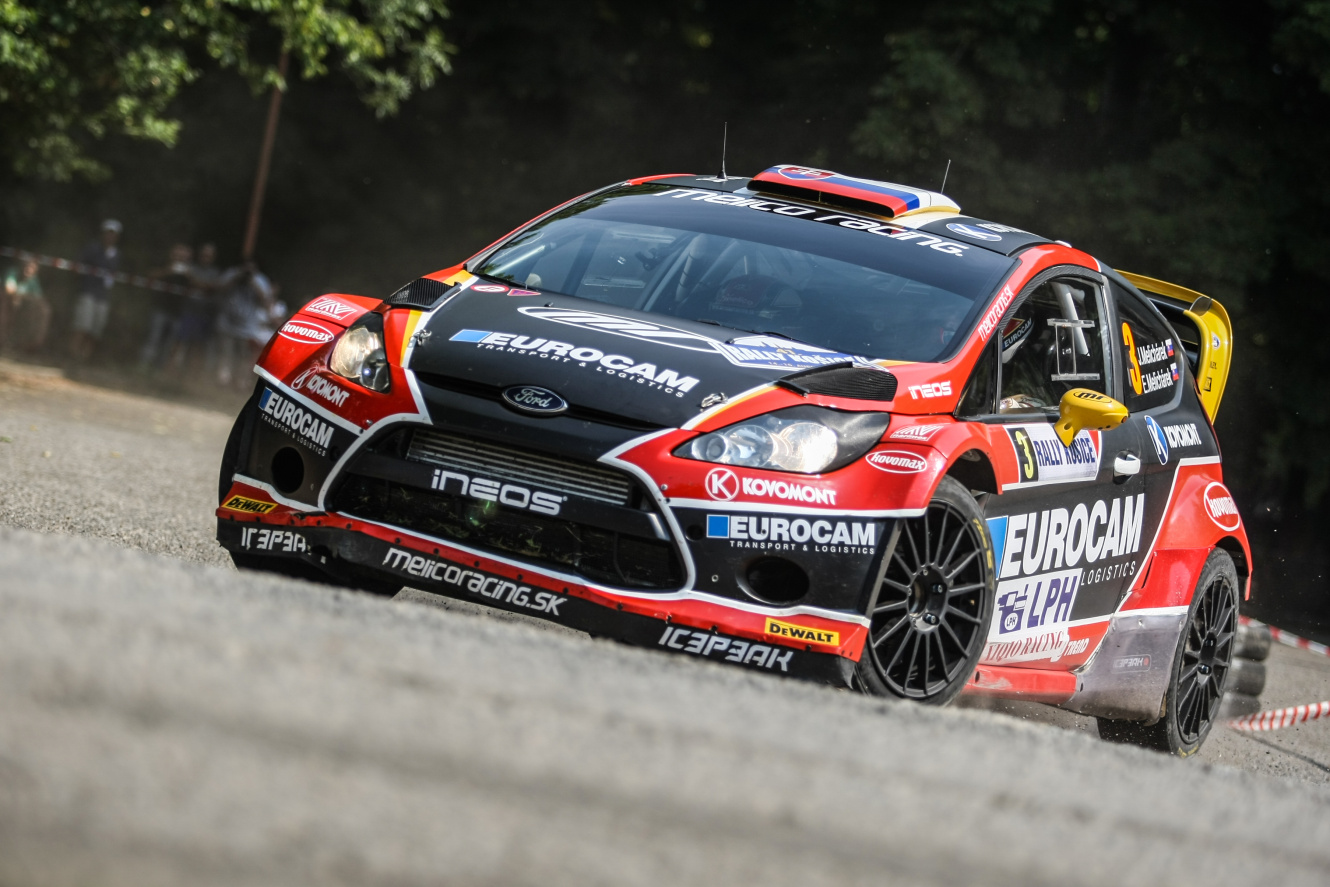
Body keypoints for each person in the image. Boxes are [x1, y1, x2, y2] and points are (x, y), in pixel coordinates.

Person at [215, 260, 277, 387]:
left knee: (244, 355)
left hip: (247, 326)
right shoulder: (233, 273)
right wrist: (237, 278)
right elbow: (218, 288)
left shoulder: (260, 280)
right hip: (228, 322)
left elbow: (266, 301)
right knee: (225, 352)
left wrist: (252, 282)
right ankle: (222, 379)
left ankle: (240, 381)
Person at [70, 219, 122, 362]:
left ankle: (84, 358)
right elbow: (78, 265)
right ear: (103, 234)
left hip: (103, 296)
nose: (110, 236)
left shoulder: (117, 254)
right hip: (87, 291)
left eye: (113, 234)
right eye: (108, 233)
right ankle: (72, 355)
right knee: (82, 325)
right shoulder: (92, 248)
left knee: (96, 330)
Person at [169, 242, 221, 374]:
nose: (205, 258)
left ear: (213, 257)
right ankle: (171, 371)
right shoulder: (192, 267)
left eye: (208, 256)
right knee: (179, 342)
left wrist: (192, 279)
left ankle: (192, 375)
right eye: (204, 255)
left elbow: (211, 287)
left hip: (203, 314)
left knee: (197, 346)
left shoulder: (214, 272)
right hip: (188, 311)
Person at [139, 243, 192, 371]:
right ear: (172, 254)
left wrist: (189, 275)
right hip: (160, 308)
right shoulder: (164, 264)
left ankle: (158, 369)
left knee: (168, 344)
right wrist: (168, 270)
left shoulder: (188, 270)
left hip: (177, 312)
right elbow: (149, 275)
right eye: (177, 255)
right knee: (153, 338)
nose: (179, 258)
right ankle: (143, 365)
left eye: (182, 256)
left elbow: (200, 285)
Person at [2, 259, 51, 353]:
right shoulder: (13, 272)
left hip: (22, 308)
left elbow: (38, 298)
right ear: (22, 266)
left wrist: (21, 298)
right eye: (27, 266)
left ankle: (29, 344)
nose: (28, 269)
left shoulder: (33, 280)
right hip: (6, 303)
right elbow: (9, 290)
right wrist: (20, 297)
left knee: (42, 309)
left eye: (32, 268)